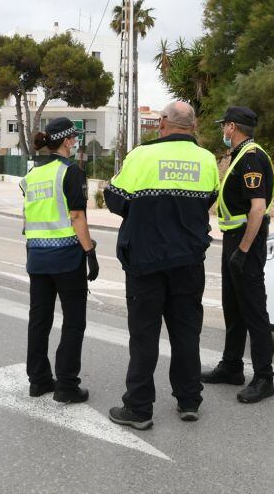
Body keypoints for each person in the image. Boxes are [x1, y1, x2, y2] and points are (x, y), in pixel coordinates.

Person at [105, 101, 219, 429]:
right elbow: (208, 200)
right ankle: (189, 400)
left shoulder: (142, 155)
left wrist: (143, 211)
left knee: (144, 336)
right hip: (188, 262)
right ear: (193, 126)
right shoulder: (207, 159)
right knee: (186, 333)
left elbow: (114, 198)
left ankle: (139, 408)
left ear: (164, 123)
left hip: (146, 262)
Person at [202, 105, 274, 403]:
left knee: (253, 309)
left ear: (232, 127)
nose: (223, 130)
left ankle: (264, 377)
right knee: (233, 307)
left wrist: (244, 251)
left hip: (248, 241)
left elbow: (257, 209)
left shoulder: (251, 158)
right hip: (234, 238)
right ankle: (232, 366)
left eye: (225, 126)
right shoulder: (240, 156)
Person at [21, 117, 99, 404]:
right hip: (67, 259)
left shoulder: (31, 176)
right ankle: (67, 385)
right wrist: (89, 252)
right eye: (74, 138)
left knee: (39, 320)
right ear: (67, 141)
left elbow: (26, 217)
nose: (75, 141)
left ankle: (38, 380)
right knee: (74, 322)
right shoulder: (72, 173)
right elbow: (77, 216)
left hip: (37, 258)